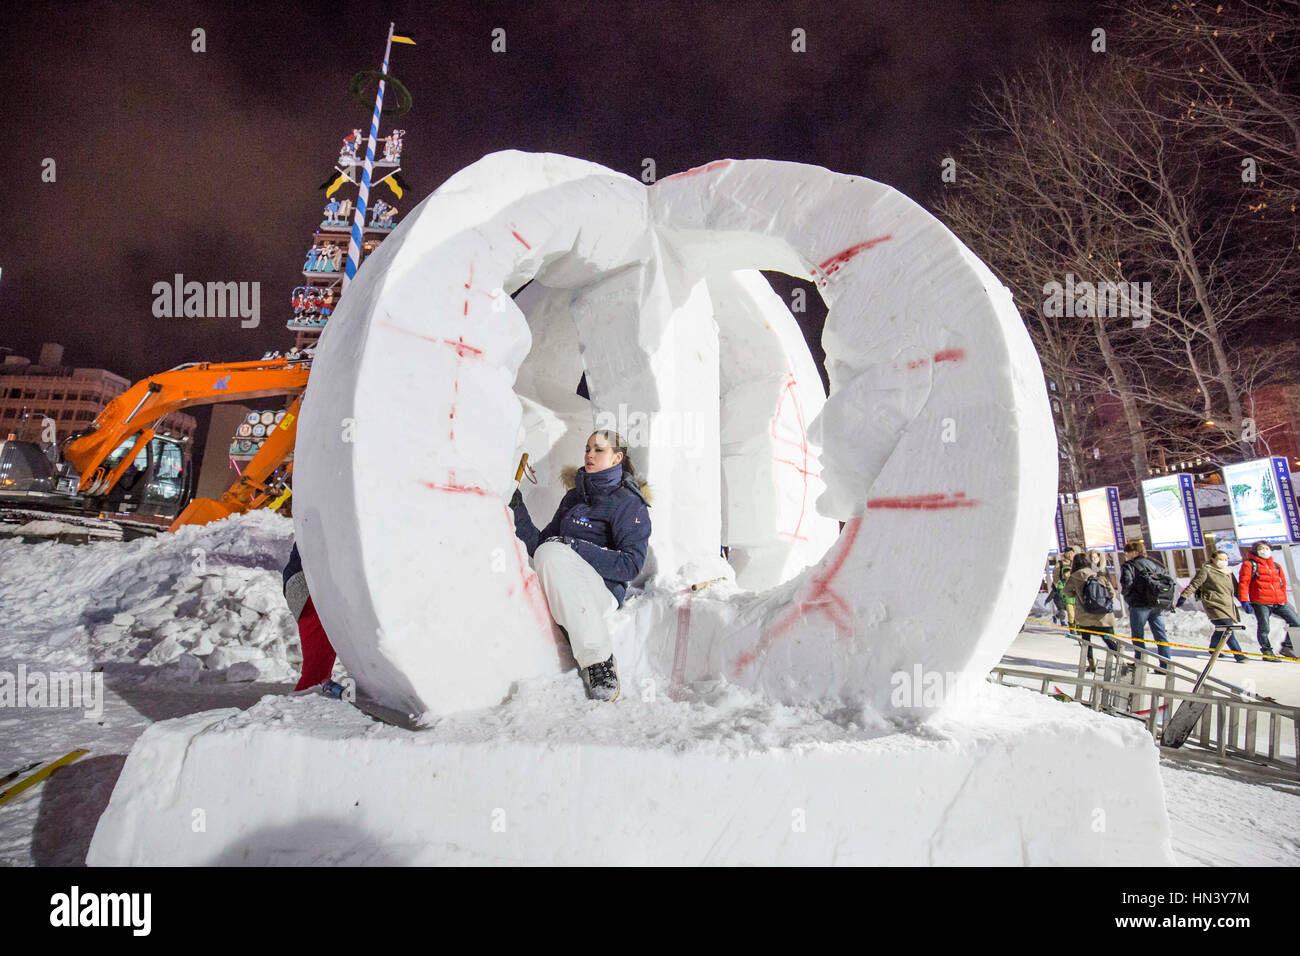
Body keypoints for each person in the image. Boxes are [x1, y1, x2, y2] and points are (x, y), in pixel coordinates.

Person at [509, 431, 652, 701]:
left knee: (553, 552)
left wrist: (574, 546)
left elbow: (631, 564)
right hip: (565, 574)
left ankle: (600, 662)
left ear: (616, 458)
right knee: (549, 553)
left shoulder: (628, 503)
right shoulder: (574, 497)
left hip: (602, 590)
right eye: (587, 448)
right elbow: (543, 545)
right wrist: (516, 508)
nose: (589, 454)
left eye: (599, 450)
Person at [283, 541, 338, 690]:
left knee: (318, 671)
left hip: (308, 580)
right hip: (309, 583)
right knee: (316, 675)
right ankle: (300, 709)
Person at [1176, 550, 1247, 663]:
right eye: (1220, 559)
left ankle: (1213, 648)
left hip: (1228, 604)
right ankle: (1238, 654)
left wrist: (1244, 601)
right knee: (1227, 628)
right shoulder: (1207, 570)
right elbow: (1195, 584)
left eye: (1225, 559)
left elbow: (1236, 589)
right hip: (1214, 604)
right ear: (1213, 559)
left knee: (1222, 628)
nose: (1223, 562)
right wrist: (1183, 597)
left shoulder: (1228, 572)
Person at [1237, 540, 1299, 660]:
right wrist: (1244, 600)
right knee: (1264, 627)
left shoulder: (1276, 565)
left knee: (1296, 622)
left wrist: (1284, 599)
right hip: (1261, 601)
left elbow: (1282, 584)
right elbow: (1244, 583)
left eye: (1266, 548)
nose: (1264, 550)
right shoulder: (1249, 565)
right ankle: (1267, 651)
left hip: (1279, 601)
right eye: (1261, 548)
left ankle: (1287, 647)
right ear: (1255, 551)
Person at [1120, 540, 1172, 673]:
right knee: (1160, 634)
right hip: (1156, 603)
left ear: (1135, 552)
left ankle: (1140, 664)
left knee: (1138, 635)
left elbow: (1127, 584)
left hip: (1139, 605)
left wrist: (1128, 596)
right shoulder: (1155, 564)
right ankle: (1165, 665)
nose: (1126, 555)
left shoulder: (1129, 565)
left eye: (1128, 552)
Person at [1064, 551, 1119, 672]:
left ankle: (1091, 664)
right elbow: (1111, 592)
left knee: (1086, 641)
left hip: (1085, 616)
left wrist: (1077, 595)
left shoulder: (1074, 577)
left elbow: (1066, 592)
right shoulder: (1098, 574)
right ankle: (1121, 661)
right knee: (1109, 639)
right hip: (1103, 615)